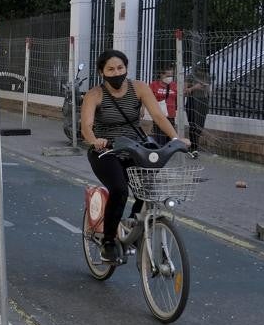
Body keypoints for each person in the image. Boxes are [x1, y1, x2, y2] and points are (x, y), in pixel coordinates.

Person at [80, 49, 188, 263]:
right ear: (102, 72)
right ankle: (109, 242)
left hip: (135, 146)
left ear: (126, 68)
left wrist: (176, 138)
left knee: (147, 187)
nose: (116, 72)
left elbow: (157, 115)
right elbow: (86, 126)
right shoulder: (95, 94)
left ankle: (133, 225)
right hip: (106, 150)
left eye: (120, 67)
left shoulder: (139, 88)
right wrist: (94, 140)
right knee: (119, 190)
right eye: (111, 69)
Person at [148, 67, 179, 146]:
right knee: (159, 137)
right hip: (159, 114)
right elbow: (147, 97)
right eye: (168, 75)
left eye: (171, 76)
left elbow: (179, 97)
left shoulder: (174, 85)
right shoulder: (154, 85)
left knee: (170, 136)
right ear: (161, 75)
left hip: (171, 115)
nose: (170, 78)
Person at [185, 63, 211, 151]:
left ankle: (195, 144)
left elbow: (209, 92)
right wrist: (194, 88)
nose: (203, 73)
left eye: (204, 71)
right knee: (193, 125)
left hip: (203, 101)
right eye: (201, 71)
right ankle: (193, 146)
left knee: (200, 125)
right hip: (192, 101)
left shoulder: (207, 77)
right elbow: (184, 92)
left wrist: (207, 89)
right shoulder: (190, 76)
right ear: (197, 70)